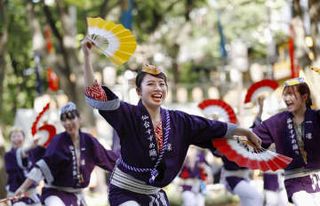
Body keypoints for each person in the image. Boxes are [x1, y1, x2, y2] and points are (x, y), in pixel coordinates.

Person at [81, 37, 262, 206]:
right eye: (150, 84)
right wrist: (87, 56)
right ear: (138, 91)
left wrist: (245, 131)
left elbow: (210, 127)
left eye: (161, 84)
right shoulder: (128, 114)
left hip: (154, 194)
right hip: (125, 192)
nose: (157, 88)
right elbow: (97, 93)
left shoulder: (179, 120)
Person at [14, 102, 119, 206]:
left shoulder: (89, 141)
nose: (67, 122)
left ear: (79, 118)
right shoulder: (58, 142)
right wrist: (22, 188)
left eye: (71, 118)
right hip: (55, 194)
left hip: (77, 195)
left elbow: (109, 158)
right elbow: (41, 167)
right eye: (64, 120)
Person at [252, 77, 320, 206]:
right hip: (295, 182)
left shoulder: (316, 117)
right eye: (285, 94)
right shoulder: (276, 122)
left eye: (291, 94)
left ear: (304, 97)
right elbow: (252, 137)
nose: (286, 99)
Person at [252, 95, 288, 206]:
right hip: (270, 177)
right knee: (271, 202)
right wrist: (261, 109)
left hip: (284, 176)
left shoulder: (289, 131)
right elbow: (254, 131)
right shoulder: (267, 130)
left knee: (284, 202)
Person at [4, 127, 44, 206]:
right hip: (16, 192)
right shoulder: (8, 155)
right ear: (10, 140)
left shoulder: (32, 152)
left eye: (18, 136)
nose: (16, 139)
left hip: (31, 191)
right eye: (13, 137)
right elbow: (21, 153)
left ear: (23, 138)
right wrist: (30, 147)